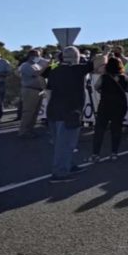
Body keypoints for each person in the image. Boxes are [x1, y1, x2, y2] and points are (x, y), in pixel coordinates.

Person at [45, 46, 94, 183]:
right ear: (76, 57)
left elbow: (49, 92)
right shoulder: (78, 70)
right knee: (66, 144)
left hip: (54, 111)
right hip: (70, 112)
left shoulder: (54, 71)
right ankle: (60, 173)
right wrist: (107, 52)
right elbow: (96, 63)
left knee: (60, 143)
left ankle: (69, 165)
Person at [89, 57, 128, 162]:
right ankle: (114, 153)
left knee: (100, 130)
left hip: (105, 104)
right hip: (119, 105)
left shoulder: (104, 77)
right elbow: (127, 89)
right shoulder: (124, 77)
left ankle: (95, 154)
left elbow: (96, 87)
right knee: (116, 129)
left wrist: (103, 92)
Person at [18, 49, 49, 138]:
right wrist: (45, 66)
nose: (39, 57)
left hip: (38, 90)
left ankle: (30, 130)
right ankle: (23, 131)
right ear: (31, 56)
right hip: (29, 90)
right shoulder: (25, 65)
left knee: (35, 113)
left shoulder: (36, 65)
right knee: (28, 112)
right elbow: (35, 74)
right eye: (37, 55)